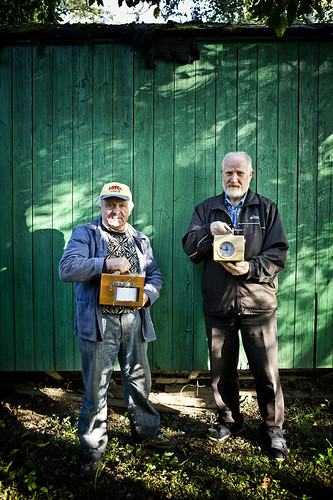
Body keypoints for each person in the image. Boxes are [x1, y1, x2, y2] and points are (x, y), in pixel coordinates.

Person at [59, 181, 176, 479]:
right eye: (110, 204)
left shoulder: (140, 239)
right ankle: (92, 448)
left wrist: (149, 294)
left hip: (134, 323)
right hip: (99, 325)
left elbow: (155, 274)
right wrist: (106, 262)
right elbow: (67, 269)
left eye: (122, 204)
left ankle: (146, 433)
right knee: (96, 389)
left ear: (130, 207)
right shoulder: (85, 234)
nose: (116, 210)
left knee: (139, 381)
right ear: (99, 206)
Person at [182, 152, 289, 461]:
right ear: (221, 174)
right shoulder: (206, 210)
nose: (234, 178)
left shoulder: (266, 209)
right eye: (229, 173)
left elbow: (278, 253)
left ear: (251, 174)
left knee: (266, 373)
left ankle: (274, 430)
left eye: (240, 173)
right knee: (221, 372)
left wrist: (251, 267)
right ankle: (229, 421)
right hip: (219, 305)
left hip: (258, 305)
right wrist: (207, 232)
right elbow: (191, 249)